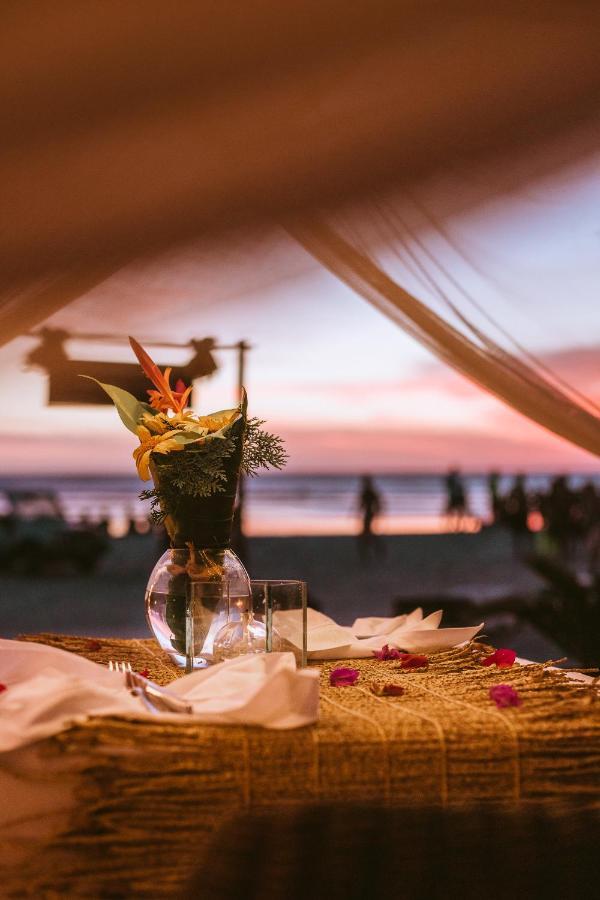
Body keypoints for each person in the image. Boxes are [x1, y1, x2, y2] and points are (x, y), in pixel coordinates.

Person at [357, 475, 384, 562]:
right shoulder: (369, 491)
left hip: (369, 515)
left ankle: (372, 552)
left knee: (367, 534)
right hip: (369, 515)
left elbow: (375, 504)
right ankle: (374, 551)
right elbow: (362, 504)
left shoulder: (369, 492)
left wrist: (377, 513)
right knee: (368, 534)